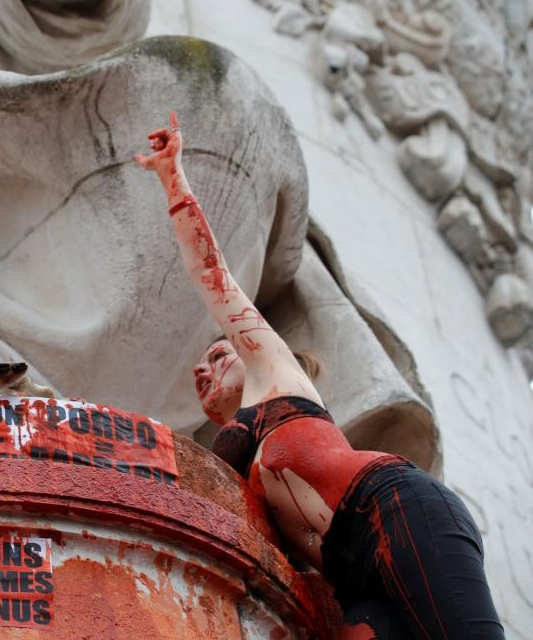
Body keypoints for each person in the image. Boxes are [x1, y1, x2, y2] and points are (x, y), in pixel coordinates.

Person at [134, 113, 505, 638]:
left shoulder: (273, 371)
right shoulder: (230, 457)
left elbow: (212, 275)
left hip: (394, 508)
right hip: (352, 581)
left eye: (219, 355)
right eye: (201, 365)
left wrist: (174, 180)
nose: (203, 368)